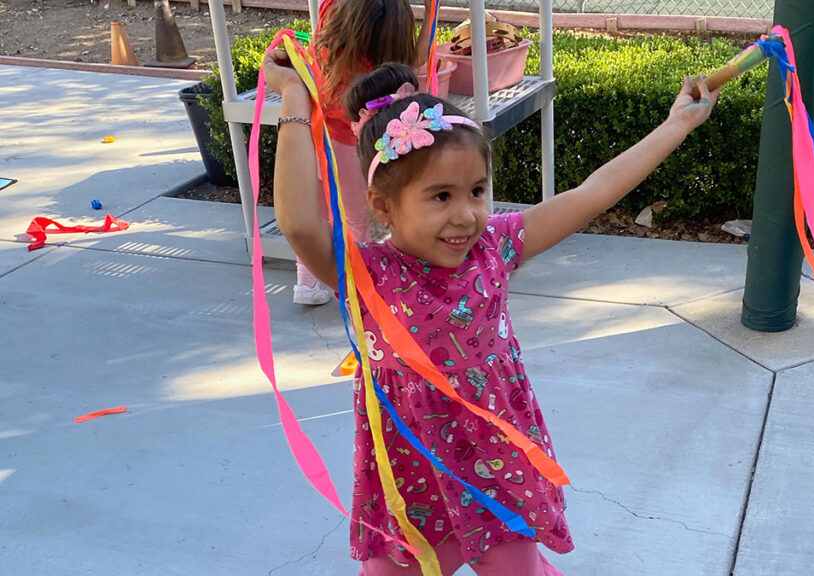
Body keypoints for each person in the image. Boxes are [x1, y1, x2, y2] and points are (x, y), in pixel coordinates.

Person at [262, 57, 719, 574]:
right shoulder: (367, 275)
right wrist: (295, 99)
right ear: (383, 206)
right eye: (441, 196)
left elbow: (591, 193)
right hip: (410, 485)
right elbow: (300, 224)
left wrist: (676, 124)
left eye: (477, 190)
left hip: (495, 471)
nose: (466, 215)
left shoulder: (496, 248)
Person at [291, 0, 434, 305]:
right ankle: (360, 291)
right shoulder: (383, 51)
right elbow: (417, 60)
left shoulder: (332, 23)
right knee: (355, 219)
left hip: (313, 131)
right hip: (348, 140)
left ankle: (305, 281)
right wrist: (432, 9)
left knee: (318, 211)